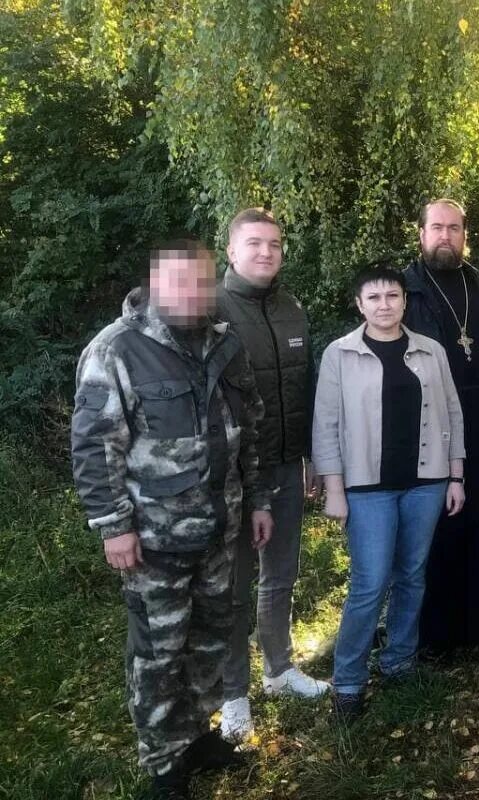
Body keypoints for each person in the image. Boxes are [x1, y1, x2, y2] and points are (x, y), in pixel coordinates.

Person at [71, 240, 274, 799]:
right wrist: (113, 525)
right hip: (152, 539)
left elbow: (248, 431)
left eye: (200, 282)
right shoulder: (117, 349)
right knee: (159, 653)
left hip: (219, 527)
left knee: (209, 639)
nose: (190, 293)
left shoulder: (225, 344)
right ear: (155, 284)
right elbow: (94, 446)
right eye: (178, 282)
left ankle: (198, 736)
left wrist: (256, 499)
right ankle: (163, 766)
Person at [312, 263, 466, 721]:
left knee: (412, 576)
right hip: (367, 488)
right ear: (359, 305)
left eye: (393, 296)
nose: (385, 305)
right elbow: (326, 426)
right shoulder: (338, 354)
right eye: (374, 298)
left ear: (404, 301)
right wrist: (333, 489)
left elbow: (453, 413)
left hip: (426, 482)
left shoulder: (431, 351)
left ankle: (399, 661)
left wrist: (455, 476)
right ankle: (349, 683)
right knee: (369, 583)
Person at [216, 208, 330, 742]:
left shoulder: (293, 310)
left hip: (285, 465)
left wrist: (308, 456)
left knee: (280, 574)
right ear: (231, 251)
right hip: (231, 478)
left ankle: (280, 669)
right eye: (255, 244)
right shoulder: (210, 311)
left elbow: (302, 392)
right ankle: (233, 695)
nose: (266, 252)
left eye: (275, 244)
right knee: (234, 587)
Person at [402, 199, 479, 653]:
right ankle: (440, 635)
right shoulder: (404, 292)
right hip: (427, 426)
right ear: (421, 234)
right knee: (439, 525)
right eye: (437, 227)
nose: (445, 236)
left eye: (454, 228)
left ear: (465, 234)